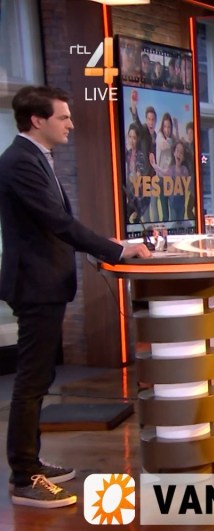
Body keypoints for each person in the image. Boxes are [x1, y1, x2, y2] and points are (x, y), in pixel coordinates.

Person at [0, 86, 152, 508]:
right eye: (63, 117)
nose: (71, 124)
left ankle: (30, 463)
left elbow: (57, 223)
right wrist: (115, 250)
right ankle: (24, 476)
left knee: (39, 378)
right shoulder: (19, 161)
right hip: (34, 285)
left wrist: (108, 244)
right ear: (38, 120)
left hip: (44, 283)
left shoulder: (36, 157)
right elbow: (58, 222)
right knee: (32, 381)